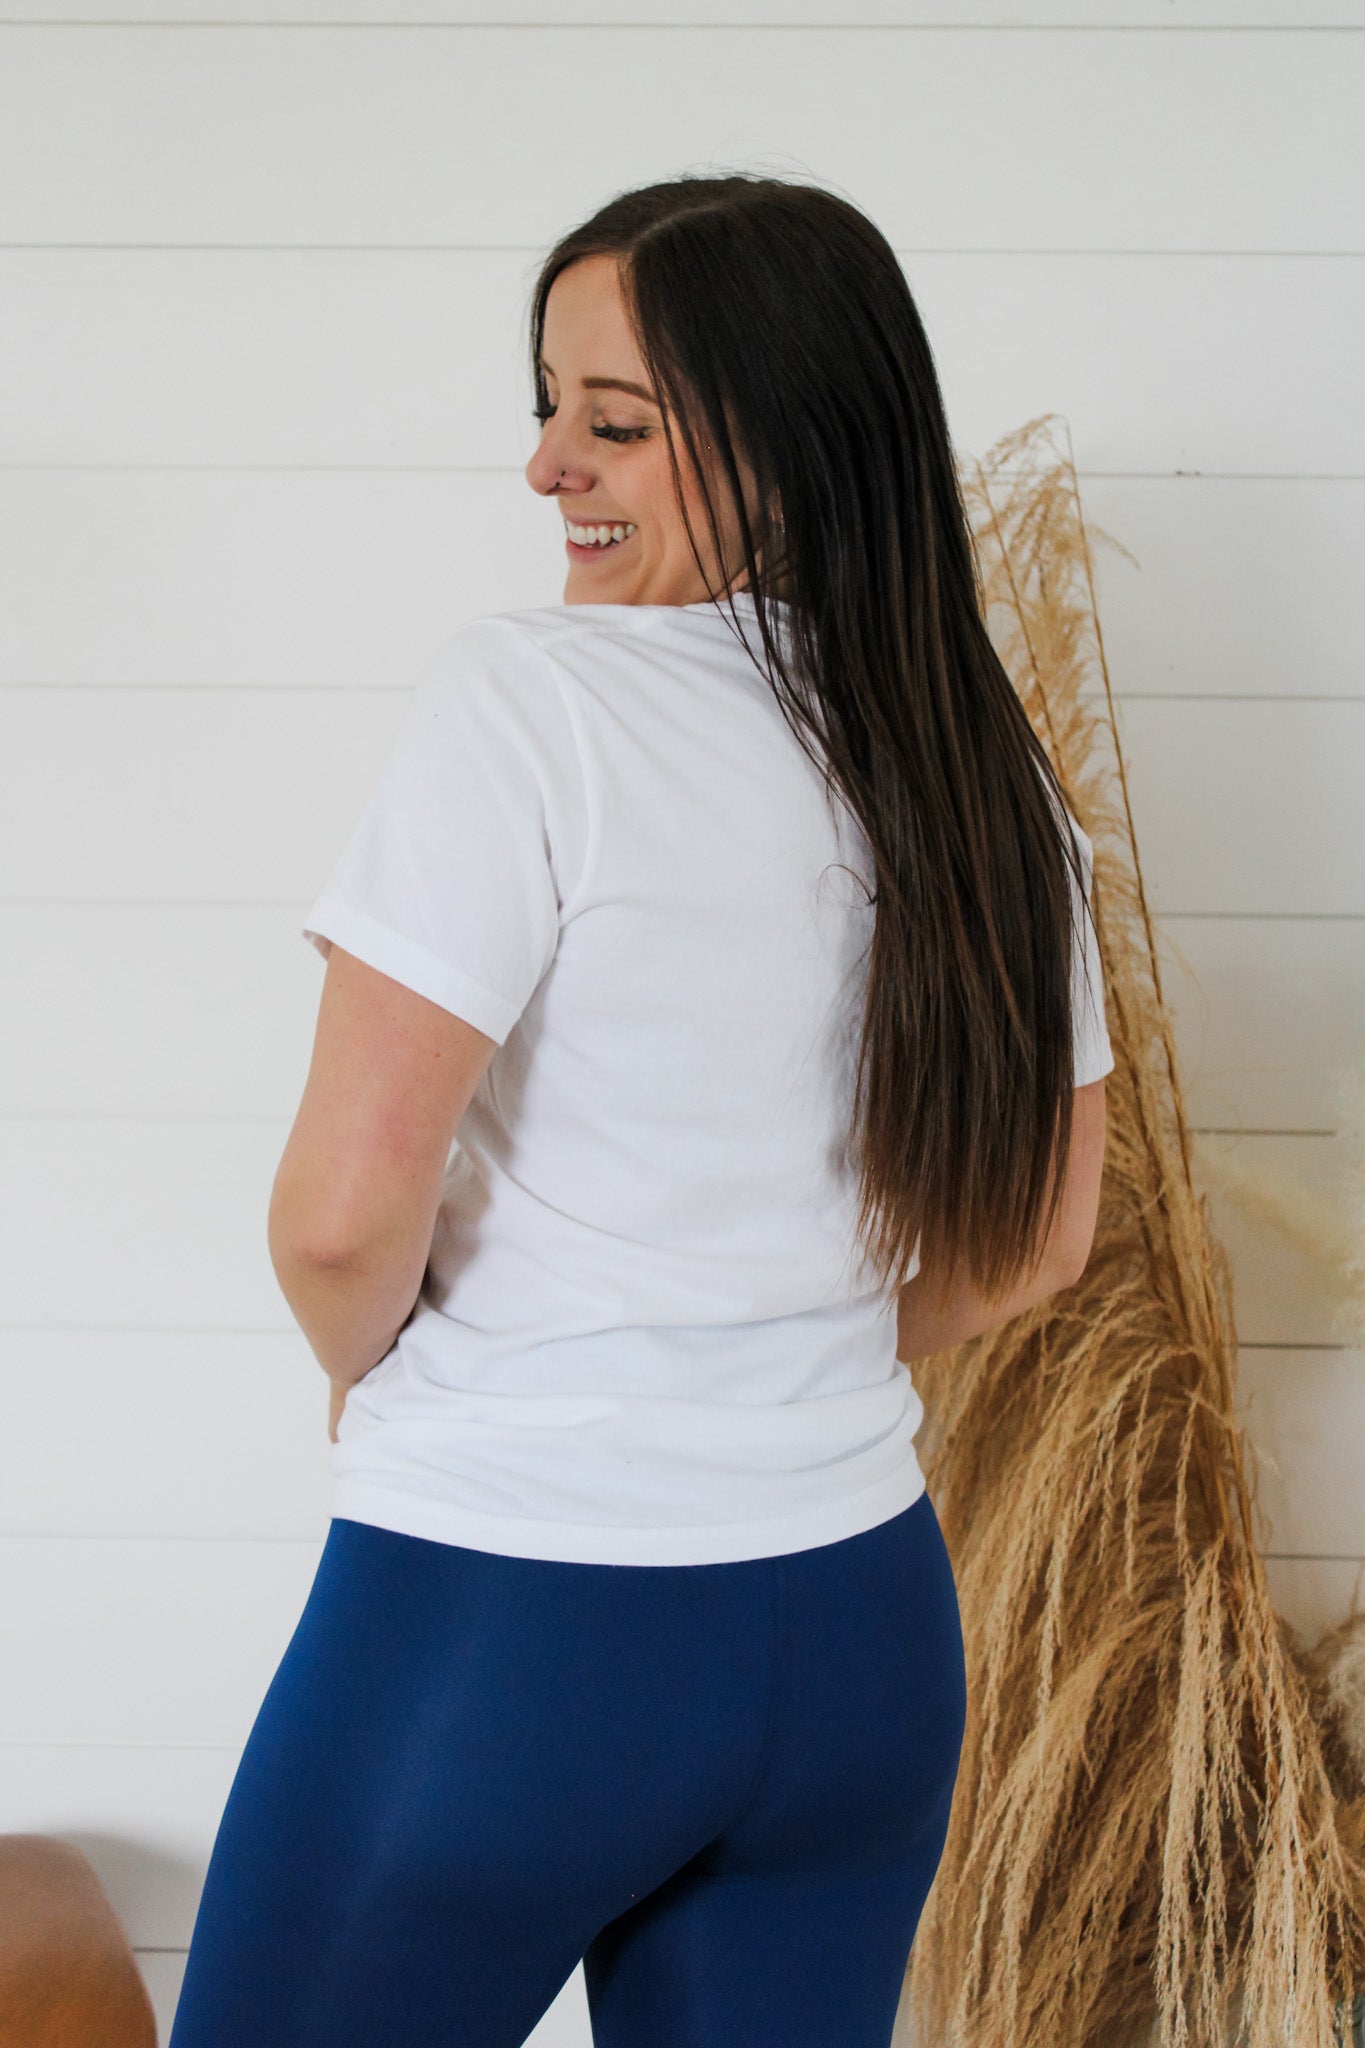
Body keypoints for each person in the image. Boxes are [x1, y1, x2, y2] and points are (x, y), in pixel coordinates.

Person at [167, 173, 1113, 2048]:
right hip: (855, 1638)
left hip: (510, 1623)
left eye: (611, 423)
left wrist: (379, 1369)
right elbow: (1033, 1239)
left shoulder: (534, 704)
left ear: (784, 436)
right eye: (548, 409)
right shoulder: (978, 763)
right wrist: (774, 1346)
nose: (545, 468)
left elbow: (341, 1220)